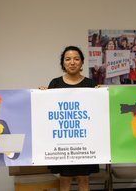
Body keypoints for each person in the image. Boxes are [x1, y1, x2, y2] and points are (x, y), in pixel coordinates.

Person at [46, 46, 99, 191]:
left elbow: (96, 114)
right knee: (64, 181)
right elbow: (48, 113)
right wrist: (42, 96)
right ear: (63, 63)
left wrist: (101, 95)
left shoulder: (91, 84)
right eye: (68, 59)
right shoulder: (55, 84)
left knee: (84, 181)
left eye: (76, 59)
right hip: (63, 144)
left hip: (85, 144)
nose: (72, 62)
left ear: (82, 62)